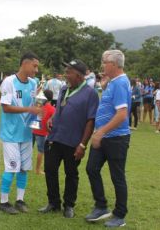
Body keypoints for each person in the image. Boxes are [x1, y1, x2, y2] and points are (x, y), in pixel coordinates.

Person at [38, 59, 99, 218]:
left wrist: (82, 145)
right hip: (54, 138)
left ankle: (69, 205)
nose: (66, 74)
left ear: (78, 75)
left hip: (73, 142)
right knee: (50, 170)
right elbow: (60, 108)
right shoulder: (65, 88)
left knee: (71, 174)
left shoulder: (90, 93)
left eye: (69, 72)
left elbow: (90, 121)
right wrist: (52, 119)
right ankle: (53, 203)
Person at [86, 50, 131, 227]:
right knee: (92, 169)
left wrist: (100, 132)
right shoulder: (113, 82)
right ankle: (101, 206)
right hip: (105, 137)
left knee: (117, 176)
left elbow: (122, 114)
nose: (102, 66)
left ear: (114, 64)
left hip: (116, 138)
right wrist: (104, 87)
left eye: (105, 62)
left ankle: (120, 215)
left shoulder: (120, 83)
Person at [0, 52, 41, 214]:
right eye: (34, 66)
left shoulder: (33, 83)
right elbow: (5, 107)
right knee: (12, 168)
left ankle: (20, 200)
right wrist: (29, 108)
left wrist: (37, 114)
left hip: (27, 134)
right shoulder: (9, 82)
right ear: (25, 64)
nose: (36, 70)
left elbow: (35, 105)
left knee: (24, 168)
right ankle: (3, 202)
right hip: (10, 135)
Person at [32, 89, 55, 175]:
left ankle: (25, 166)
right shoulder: (52, 109)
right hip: (42, 132)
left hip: (33, 129)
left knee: (28, 149)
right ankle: (37, 170)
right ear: (51, 98)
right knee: (41, 151)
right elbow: (52, 123)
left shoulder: (38, 105)